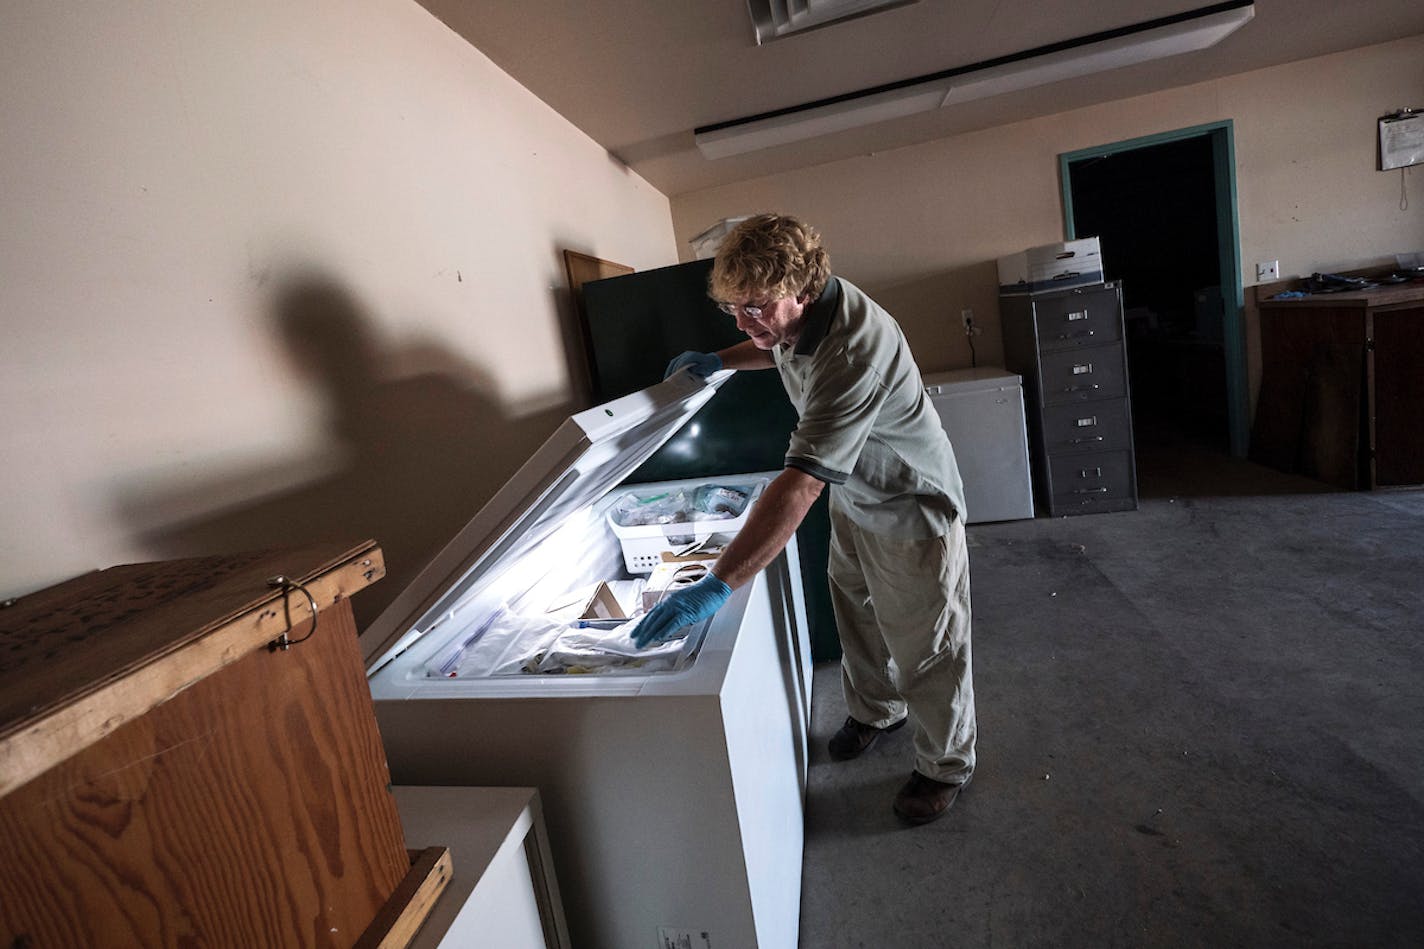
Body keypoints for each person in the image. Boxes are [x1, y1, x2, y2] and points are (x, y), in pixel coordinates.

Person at [633, 213, 976, 824]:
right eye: (733, 310)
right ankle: (877, 711)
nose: (746, 321)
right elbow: (776, 346)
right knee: (858, 614)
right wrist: (719, 359)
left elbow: (800, 484)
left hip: (908, 503)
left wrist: (718, 583)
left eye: (756, 307)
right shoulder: (789, 319)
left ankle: (944, 764)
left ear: (804, 290)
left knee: (926, 645)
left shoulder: (853, 351)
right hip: (857, 491)